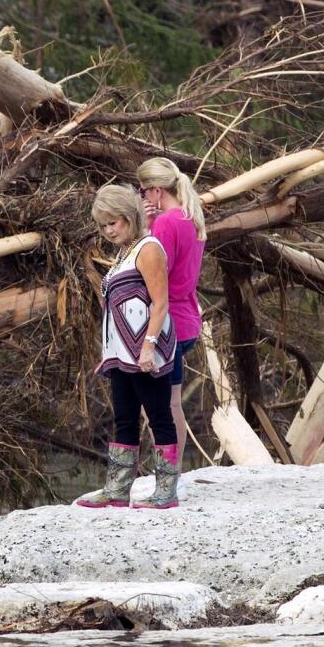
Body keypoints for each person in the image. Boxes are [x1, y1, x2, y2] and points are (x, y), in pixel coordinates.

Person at [75, 183, 181, 510]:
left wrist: (148, 348)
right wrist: (109, 355)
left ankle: (166, 492)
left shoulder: (148, 248)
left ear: (129, 217)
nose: (108, 230)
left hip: (146, 353)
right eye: (103, 225)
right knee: (124, 418)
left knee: (159, 415)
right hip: (121, 356)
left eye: (114, 222)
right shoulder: (123, 252)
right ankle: (118, 489)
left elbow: (160, 303)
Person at [137, 157, 207, 467]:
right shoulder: (190, 217)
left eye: (142, 192)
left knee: (159, 405)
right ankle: (172, 468)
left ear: (154, 190)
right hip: (188, 320)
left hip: (167, 324)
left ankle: (168, 468)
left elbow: (153, 272)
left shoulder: (166, 223)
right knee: (171, 401)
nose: (142, 199)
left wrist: (146, 227)